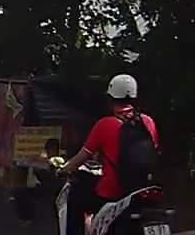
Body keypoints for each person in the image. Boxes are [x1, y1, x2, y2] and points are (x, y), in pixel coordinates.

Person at [56, 74, 160, 235]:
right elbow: (155, 152)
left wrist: (64, 169)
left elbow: (81, 158)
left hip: (112, 194)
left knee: (76, 200)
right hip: (143, 190)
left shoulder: (105, 125)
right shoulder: (148, 122)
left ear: (110, 99)